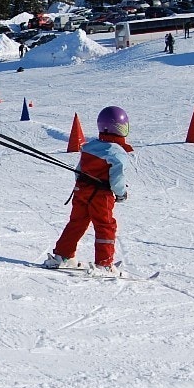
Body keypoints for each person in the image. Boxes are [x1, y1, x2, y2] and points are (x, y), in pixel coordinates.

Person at [44, 106, 132, 274]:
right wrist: (121, 193)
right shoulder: (117, 153)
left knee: (77, 223)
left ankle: (63, 256)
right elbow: (117, 179)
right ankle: (104, 263)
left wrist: (82, 187)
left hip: (81, 191)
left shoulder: (89, 146)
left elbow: (79, 170)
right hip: (101, 196)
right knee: (105, 226)